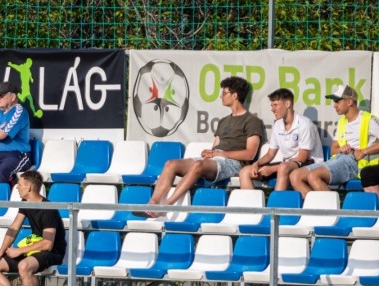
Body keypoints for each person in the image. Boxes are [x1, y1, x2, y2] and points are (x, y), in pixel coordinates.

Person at [139, 76, 264, 216]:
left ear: (234, 95)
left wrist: (218, 154)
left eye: (224, 93)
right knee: (170, 164)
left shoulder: (252, 121)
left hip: (233, 163)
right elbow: (215, 148)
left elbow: (249, 154)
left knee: (199, 165)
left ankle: (167, 206)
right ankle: (153, 204)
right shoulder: (223, 121)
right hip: (216, 161)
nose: (220, 96)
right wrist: (210, 153)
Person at [0, 170, 65, 286]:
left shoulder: (48, 209)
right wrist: (0, 253)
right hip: (34, 250)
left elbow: (48, 243)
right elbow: (13, 228)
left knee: (24, 266)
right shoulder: (25, 204)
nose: (16, 187)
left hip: (52, 252)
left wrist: (19, 251)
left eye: (19, 184)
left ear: (28, 188)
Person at [290, 84, 379, 197]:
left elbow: (359, 153)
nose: (334, 105)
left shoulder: (368, 119)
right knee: (295, 176)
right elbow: (333, 150)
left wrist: (363, 151)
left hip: (355, 163)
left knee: (314, 176)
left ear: (350, 102)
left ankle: (332, 212)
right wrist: (342, 149)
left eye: (337, 101)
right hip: (339, 159)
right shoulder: (342, 122)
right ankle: (318, 209)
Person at [238, 88, 321, 191]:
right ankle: (251, 206)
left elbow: (302, 158)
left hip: (310, 164)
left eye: (275, 105)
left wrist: (272, 169)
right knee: (245, 171)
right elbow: (270, 154)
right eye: (271, 106)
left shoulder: (305, 124)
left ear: (287, 104)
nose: (272, 109)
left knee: (283, 167)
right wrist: (257, 164)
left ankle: (276, 205)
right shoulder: (278, 125)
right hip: (287, 165)